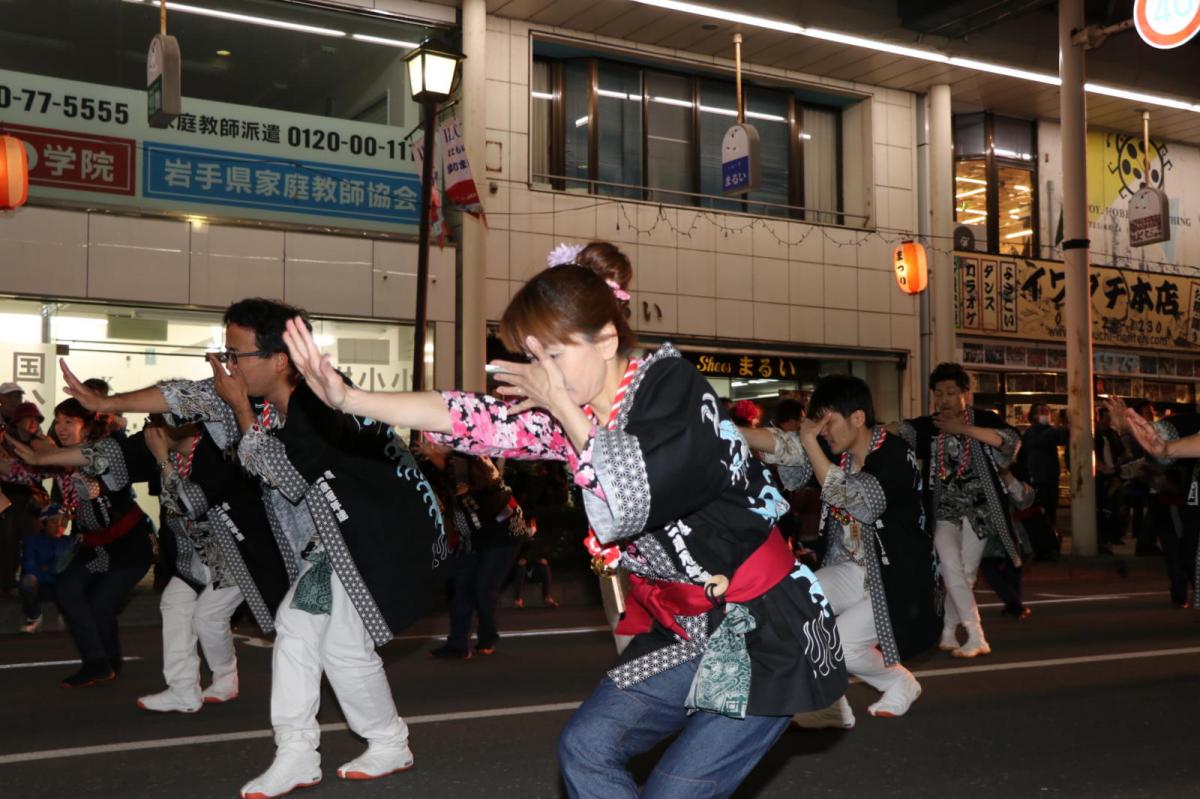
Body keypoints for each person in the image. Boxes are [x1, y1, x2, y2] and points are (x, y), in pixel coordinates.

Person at [282, 240, 848, 798]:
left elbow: (633, 495)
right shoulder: (569, 408)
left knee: (675, 792)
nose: (541, 372)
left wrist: (562, 411)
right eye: (534, 357)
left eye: (553, 354)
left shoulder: (675, 389)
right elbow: (467, 413)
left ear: (606, 341)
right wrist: (348, 398)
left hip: (764, 630)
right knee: (586, 747)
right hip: (689, 630)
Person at [59, 298, 444, 798]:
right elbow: (186, 394)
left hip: (374, 543)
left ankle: (304, 754)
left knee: (303, 632)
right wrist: (106, 405)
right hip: (337, 546)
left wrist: (240, 409)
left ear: (279, 359)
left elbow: (285, 477)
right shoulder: (267, 398)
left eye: (237, 355)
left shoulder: (320, 402)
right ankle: (380, 743)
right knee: (334, 645)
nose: (227, 366)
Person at [744, 374, 938, 726]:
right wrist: (730, 432)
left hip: (896, 577)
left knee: (844, 644)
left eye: (828, 422)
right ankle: (832, 702)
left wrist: (809, 442)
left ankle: (898, 681)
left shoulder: (896, 456)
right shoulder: (843, 455)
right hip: (851, 569)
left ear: (858, 417)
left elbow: (859, 501)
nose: (823, 433)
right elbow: (787, 445)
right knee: (796, 602)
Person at [136, 418, 290, 714]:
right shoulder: (174, 457)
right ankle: (182, 690)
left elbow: (191, 504)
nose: (151, 429)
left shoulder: (217, 452)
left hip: (238, 552)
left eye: (157, 421)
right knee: (174, 603)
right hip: (198, 555)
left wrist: (160, 459)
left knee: (208, 616)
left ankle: (225, 676)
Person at [4, 399, 155, 687]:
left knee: (100, 603)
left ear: (88, 425)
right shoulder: (59, 461)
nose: (60, 427)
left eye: (69, 421)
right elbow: (16, 471)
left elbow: (70, 459)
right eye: (58, 421)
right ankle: (100, 662)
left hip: (129, 546)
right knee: (68, 588)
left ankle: (106, 662)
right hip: (94, 547)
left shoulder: (108, 448)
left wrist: (42, 455)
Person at [898, 363, 1020, 659]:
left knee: (964, 573)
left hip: (980, 511)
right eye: (938, 394)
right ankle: (977, 635)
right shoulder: (930, 426)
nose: (944, 399)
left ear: (966, 393)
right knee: (949, 565)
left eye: (951, 393)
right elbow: (900, 431)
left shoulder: (984, 419)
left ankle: (949, 632)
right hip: (944, 510)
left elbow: (1011, 442)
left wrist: (963, 429)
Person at [419, 441, 522, 659]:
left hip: (502, 533)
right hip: (471, 535)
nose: (432, 446)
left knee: (483, 586)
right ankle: (457, 644)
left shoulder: (470, 458)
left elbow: (478, 485)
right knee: (460, 585)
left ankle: (487, 638)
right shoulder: (446, 466)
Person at [1109, 397, 1199, 608]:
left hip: (1180, 506)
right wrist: (1134, 432)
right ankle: (1179, 591)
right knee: (1185, 553)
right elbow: (1162, 441)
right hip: (1180, 511)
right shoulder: (1190, 423)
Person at [0, 400, 54, 596]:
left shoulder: (41, 442)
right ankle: (7, 582)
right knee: (8, 540)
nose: (33, 422)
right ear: (18, 420)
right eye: (29, 418)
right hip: (10, 496)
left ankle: (30, 580)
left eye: (37, 419)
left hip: (33, 498)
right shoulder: (5, 440)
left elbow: (51, 466)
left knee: (33, 539)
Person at [979, 464, 1035, 621]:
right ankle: (1013, 603)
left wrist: (1007, 474)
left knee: (1011, 565)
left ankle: (1013, 603)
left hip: (1005, 526)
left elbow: (1023, 499)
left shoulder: (1002, 467)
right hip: (986, 526)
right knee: (991, 564)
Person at [1018, 403, 1068, 547]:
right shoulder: (1032, 433)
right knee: (1043, 513)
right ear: (1034, 416)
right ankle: (1045, 545)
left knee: (1050, 513)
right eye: (1042, 411)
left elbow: (1061, 437)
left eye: (1047, 411)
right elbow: (1051, 437)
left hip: (1049, 478)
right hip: (1039, 480)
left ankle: (1049, 543)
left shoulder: (1048, 431)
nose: (1046, 414)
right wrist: (1059, 425)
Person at [18, 503, 71, 633]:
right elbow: (29, 568)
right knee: (27, 582)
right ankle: (34, 616)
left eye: (63, 521)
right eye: (53, 521)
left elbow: (73, 569)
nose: (59, 525)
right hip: (42, 587)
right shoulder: (32, 541)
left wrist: (48, 568)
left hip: (63, 587)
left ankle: (68, 616)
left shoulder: (70, 541)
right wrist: (55, 570)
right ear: (43, 523)